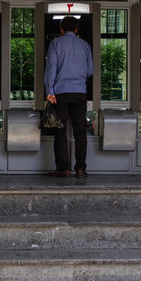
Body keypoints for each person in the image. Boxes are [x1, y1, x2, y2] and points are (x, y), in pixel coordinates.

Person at [44, 15, 94, 178]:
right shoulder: (85, 45)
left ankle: (63, 169)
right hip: (80, 92)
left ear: (61, 29)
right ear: (77, 29)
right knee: (80, 132)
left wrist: (50, 90)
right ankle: (80, 169)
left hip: (60, 93)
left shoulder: (56, 43)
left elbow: (51, 68)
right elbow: (89, 71)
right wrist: (78, 78)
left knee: (60, 131)